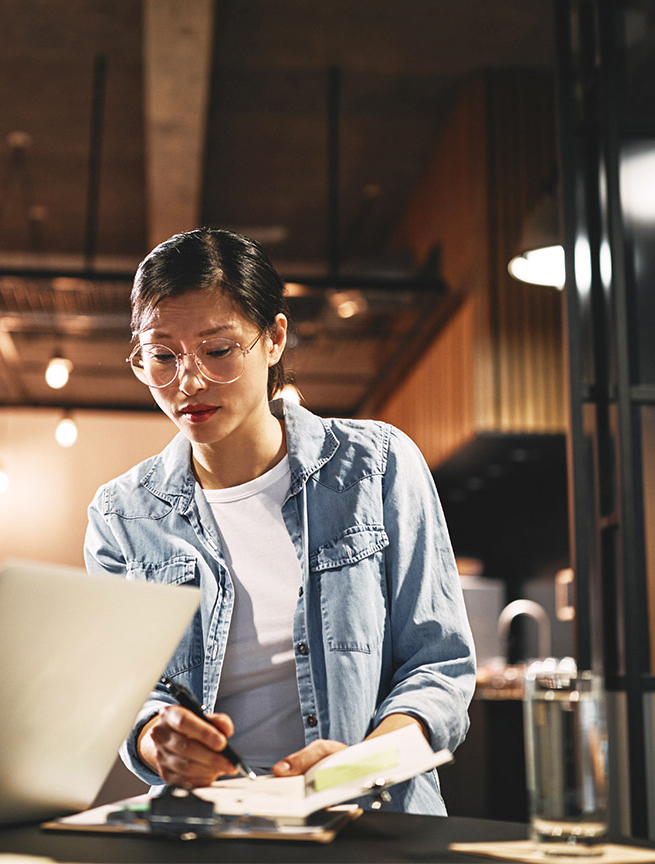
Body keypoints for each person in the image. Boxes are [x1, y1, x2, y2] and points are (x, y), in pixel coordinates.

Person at [84, 228, 475, 815]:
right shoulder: (122, 515)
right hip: (209, 826)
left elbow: (439, 667)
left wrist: (356, 769)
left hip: (373, 819)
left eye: (218, 351)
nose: (188, 383)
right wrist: (154, 740)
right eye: (163, 356)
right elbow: (129, 694)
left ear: (273, 338)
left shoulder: (378, 466)